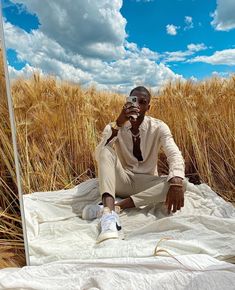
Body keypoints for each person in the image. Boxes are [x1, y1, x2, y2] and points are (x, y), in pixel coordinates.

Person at [82, 86, 186, 243]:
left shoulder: (159, 127)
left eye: (143, 102)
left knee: (182, 184)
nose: (138, 106)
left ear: (148, 107)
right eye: (134, 101)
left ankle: (117, 206)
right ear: (127, 103)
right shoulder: (115, 126)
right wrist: (119, 123)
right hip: (122, 180)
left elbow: (174, 153)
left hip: (146, 183)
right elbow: (99, 156)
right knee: (105, 150)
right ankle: (109, 217)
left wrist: (177, 180)